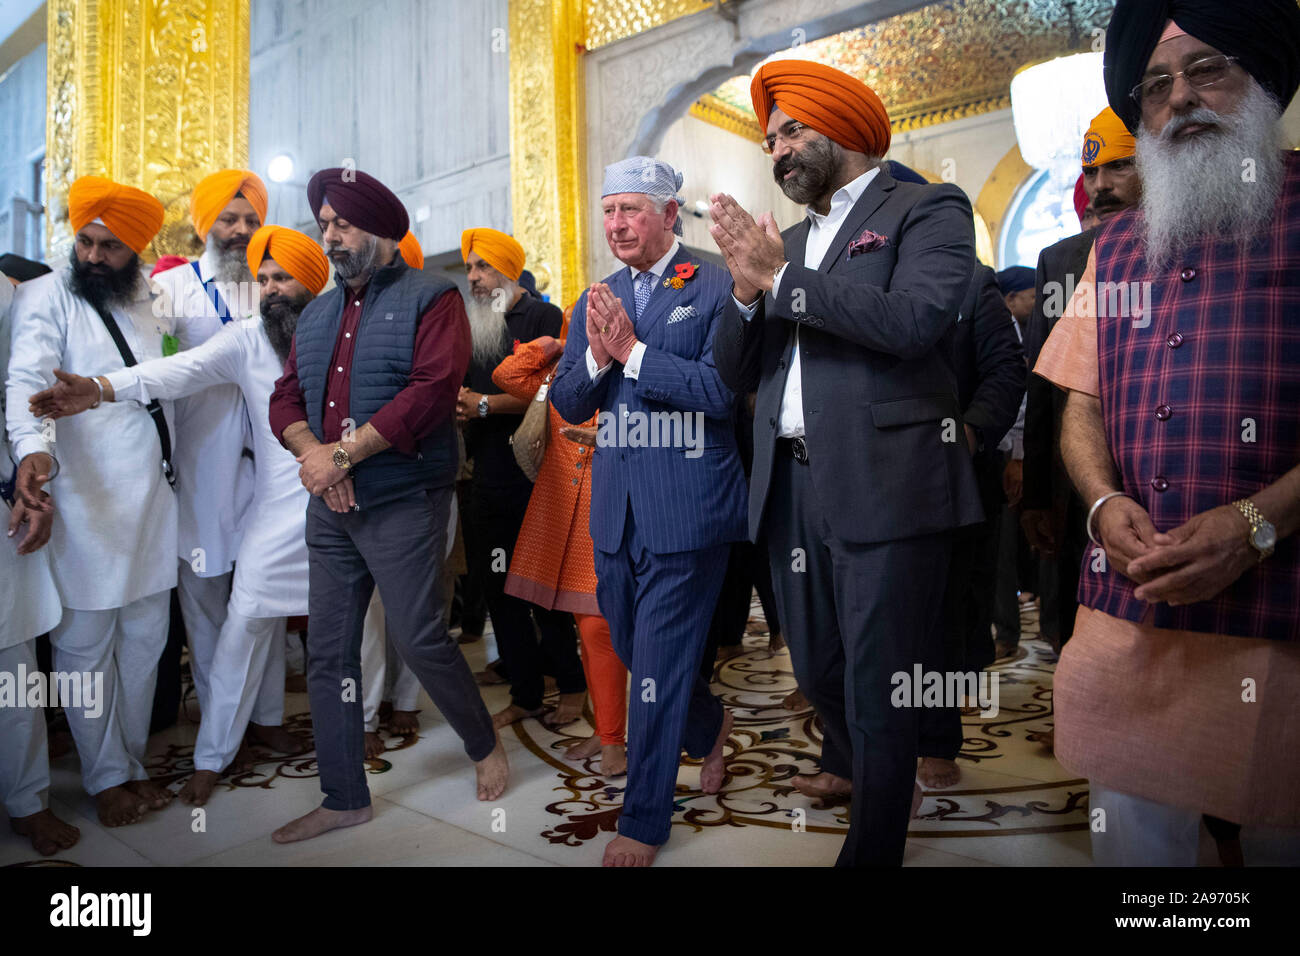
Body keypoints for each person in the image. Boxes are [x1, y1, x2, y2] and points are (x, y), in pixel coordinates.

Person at [1035, 0, 1300, 865]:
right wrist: (1103, 498)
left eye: (1207, 70)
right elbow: (1081, 402)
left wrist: (1256, 524)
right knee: (1138, 844)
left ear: (1260, 79)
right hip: (1132, 606)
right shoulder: (1113, 250)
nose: (1180, 97)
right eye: (1154, 84)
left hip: (1281, 610)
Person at [709, 60, 980, 866]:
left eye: (792, 131)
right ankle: (865, 765)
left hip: (885, 480)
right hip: (787, 483)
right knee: (817, 663)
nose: (779, 150)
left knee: (879, 678)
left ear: (845, 129)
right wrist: (747, 290)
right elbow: (732, 366)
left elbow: (914, 320)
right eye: (770, 141)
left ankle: (874, 847)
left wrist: (780, 279)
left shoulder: (926, 206)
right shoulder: (781, 242)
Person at [29, 225, 330, 806]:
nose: (268, 290)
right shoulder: (247, 339)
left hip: (344, 506)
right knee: (243, 626)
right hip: (273, 511)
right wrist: (99, 388)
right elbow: (175, 372)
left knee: (353, 629)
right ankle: (211, 759)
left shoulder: (348, 333)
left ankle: (361, 728)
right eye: (262, 279)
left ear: (312, 284)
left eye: (281, 278)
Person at [268, 167, 506, 843]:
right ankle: (343, 795)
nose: (331, 236)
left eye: (342, 224)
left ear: (379, 230)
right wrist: (316, 454)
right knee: (329, 652)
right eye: (324, 225)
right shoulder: (314, 312)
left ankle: (483, 741)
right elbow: (285, 398)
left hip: (403, 497)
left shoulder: (434, 297)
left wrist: (342, 456)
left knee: (418, 634)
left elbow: (432, 394)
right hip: (332, 507)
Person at [550, 156, 747, 866]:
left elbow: (720, 394)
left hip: (688, 507)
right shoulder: (594, 297)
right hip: (617, 511)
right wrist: (601, 360)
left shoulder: (719, 283)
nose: (617, 224)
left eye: (631, 210)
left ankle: (644, 818)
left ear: (670, 214)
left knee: (658, 662)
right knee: (635, 649)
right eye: (609, 211)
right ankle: (713, 721)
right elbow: (567, 399)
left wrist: (631, 352)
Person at [6, 176, 177, 827]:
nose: (94, 256)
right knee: (84, 643)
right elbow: (27, 379)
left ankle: (130, 763)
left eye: (109, 246)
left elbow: (167, 379)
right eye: (85, 241)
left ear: (136, 248)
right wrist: (34, 452)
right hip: (84, 497)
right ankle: (105, 778)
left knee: (146, 636)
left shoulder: (155, 300)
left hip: (154, 499)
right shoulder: (47, 296)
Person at [149, 168, 263, 762]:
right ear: (205, 225)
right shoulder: (172, 292)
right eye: (229, 218)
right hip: (198, 461)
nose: (241, 230)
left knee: (258, 595)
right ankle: (224, 727)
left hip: (265, 464)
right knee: (204, 599)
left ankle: (264, 717)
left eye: (250, 219)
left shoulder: (271, 287)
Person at [1021, 109, 1141, 659]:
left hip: (1167, 465)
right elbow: (1045, 387)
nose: (1101, 186)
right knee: (1075, 613)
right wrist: (1038, 495)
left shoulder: (1198, 242)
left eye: (1119, 167)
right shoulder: (1062, 260)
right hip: (1080, 479)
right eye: (1091, 172)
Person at [457, 227, 586, 731]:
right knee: (498, 592)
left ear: (508, 270)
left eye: (482, 267)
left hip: (535, 479)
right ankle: (527, 693)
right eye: (469, 268)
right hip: (485, 478)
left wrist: (484, 405)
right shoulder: (478, 324)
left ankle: (571, 684)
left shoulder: (542, 317)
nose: (473, 277)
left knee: (543, 591)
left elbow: (549, 395)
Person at [492, 332, 627, 777]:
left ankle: (614, 739)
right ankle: (608, 730)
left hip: (604, 519)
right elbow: (507, 374)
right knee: (586, 633)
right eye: (582, 327)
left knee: (598, 631)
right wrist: (553, 342)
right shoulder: (558, 376)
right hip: (557, 521)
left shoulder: (628, 377)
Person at [0, 269, 77, 856]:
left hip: (6, 493)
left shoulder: (13, 295)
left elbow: (27, 398)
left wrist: (32, 480)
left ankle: (28, 800)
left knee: (12, 659)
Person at [989, 266, 1036, 658]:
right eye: (1031, 295)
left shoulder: (1016, 331)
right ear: (1010, 298)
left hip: (1001, 451)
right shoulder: (1000, 325)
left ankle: (1007, 632)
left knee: (1002, 549)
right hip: (993, 451)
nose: (1037, 303)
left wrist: (1016, 455)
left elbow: (1017, 398)